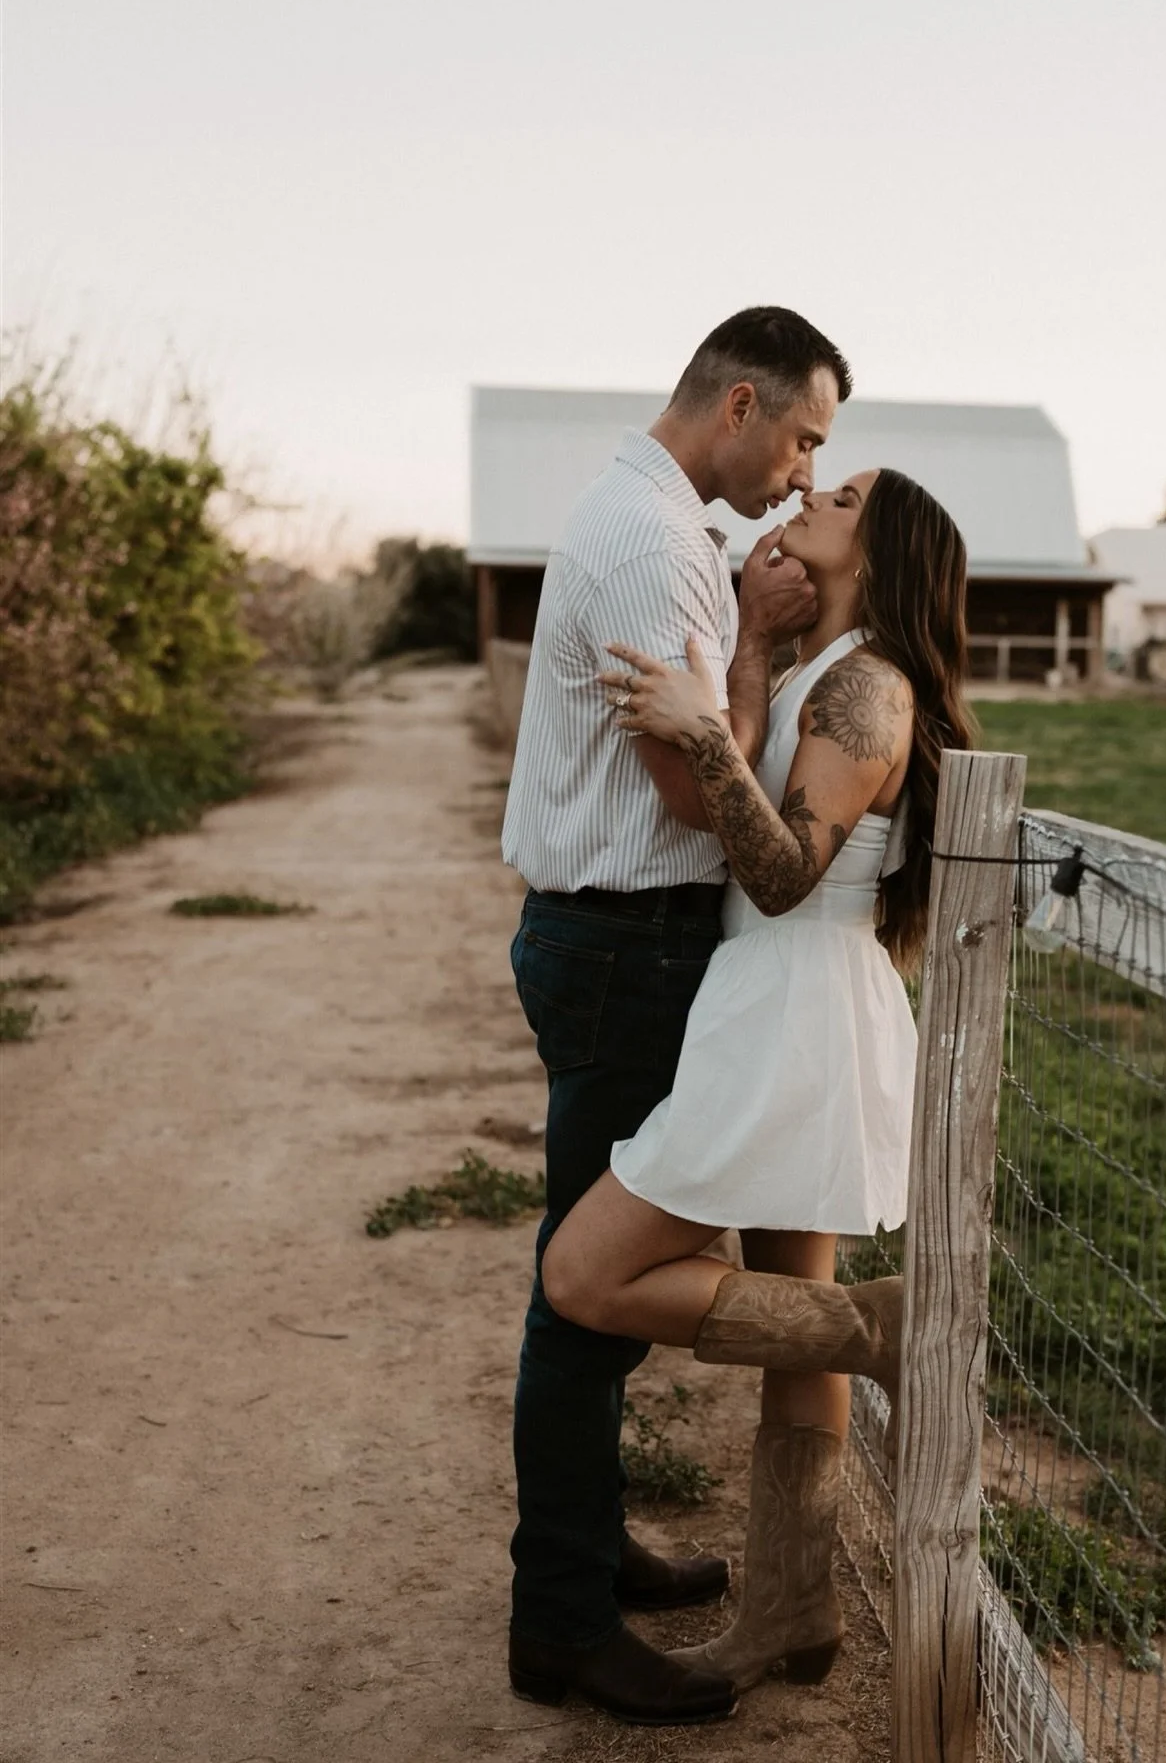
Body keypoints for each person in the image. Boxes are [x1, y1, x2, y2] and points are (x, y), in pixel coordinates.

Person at [541, 465, 974, 1691]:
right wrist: (737, 676)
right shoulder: (813, 673)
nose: (806, 499)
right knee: (797, 1353)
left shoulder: (870, 688)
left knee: (585, 1273)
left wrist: (694, 732)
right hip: (771, 1001)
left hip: (792, 1013)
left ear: (878, 550)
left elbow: (784, 875)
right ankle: (792, 1611)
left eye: (838, 498)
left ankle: (880, 1326)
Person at [501, 307, 853, 1725]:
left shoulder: (662, 529)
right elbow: (691, 794)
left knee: (593, 1274)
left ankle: (586, 1555)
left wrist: (747, 635)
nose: (805, 473)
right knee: (585, 1290)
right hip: (623, 945)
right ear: (743, 401)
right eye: (807, 438)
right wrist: (760, 646)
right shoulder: (657, 550)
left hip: (620, 943)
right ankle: (561, 1623)